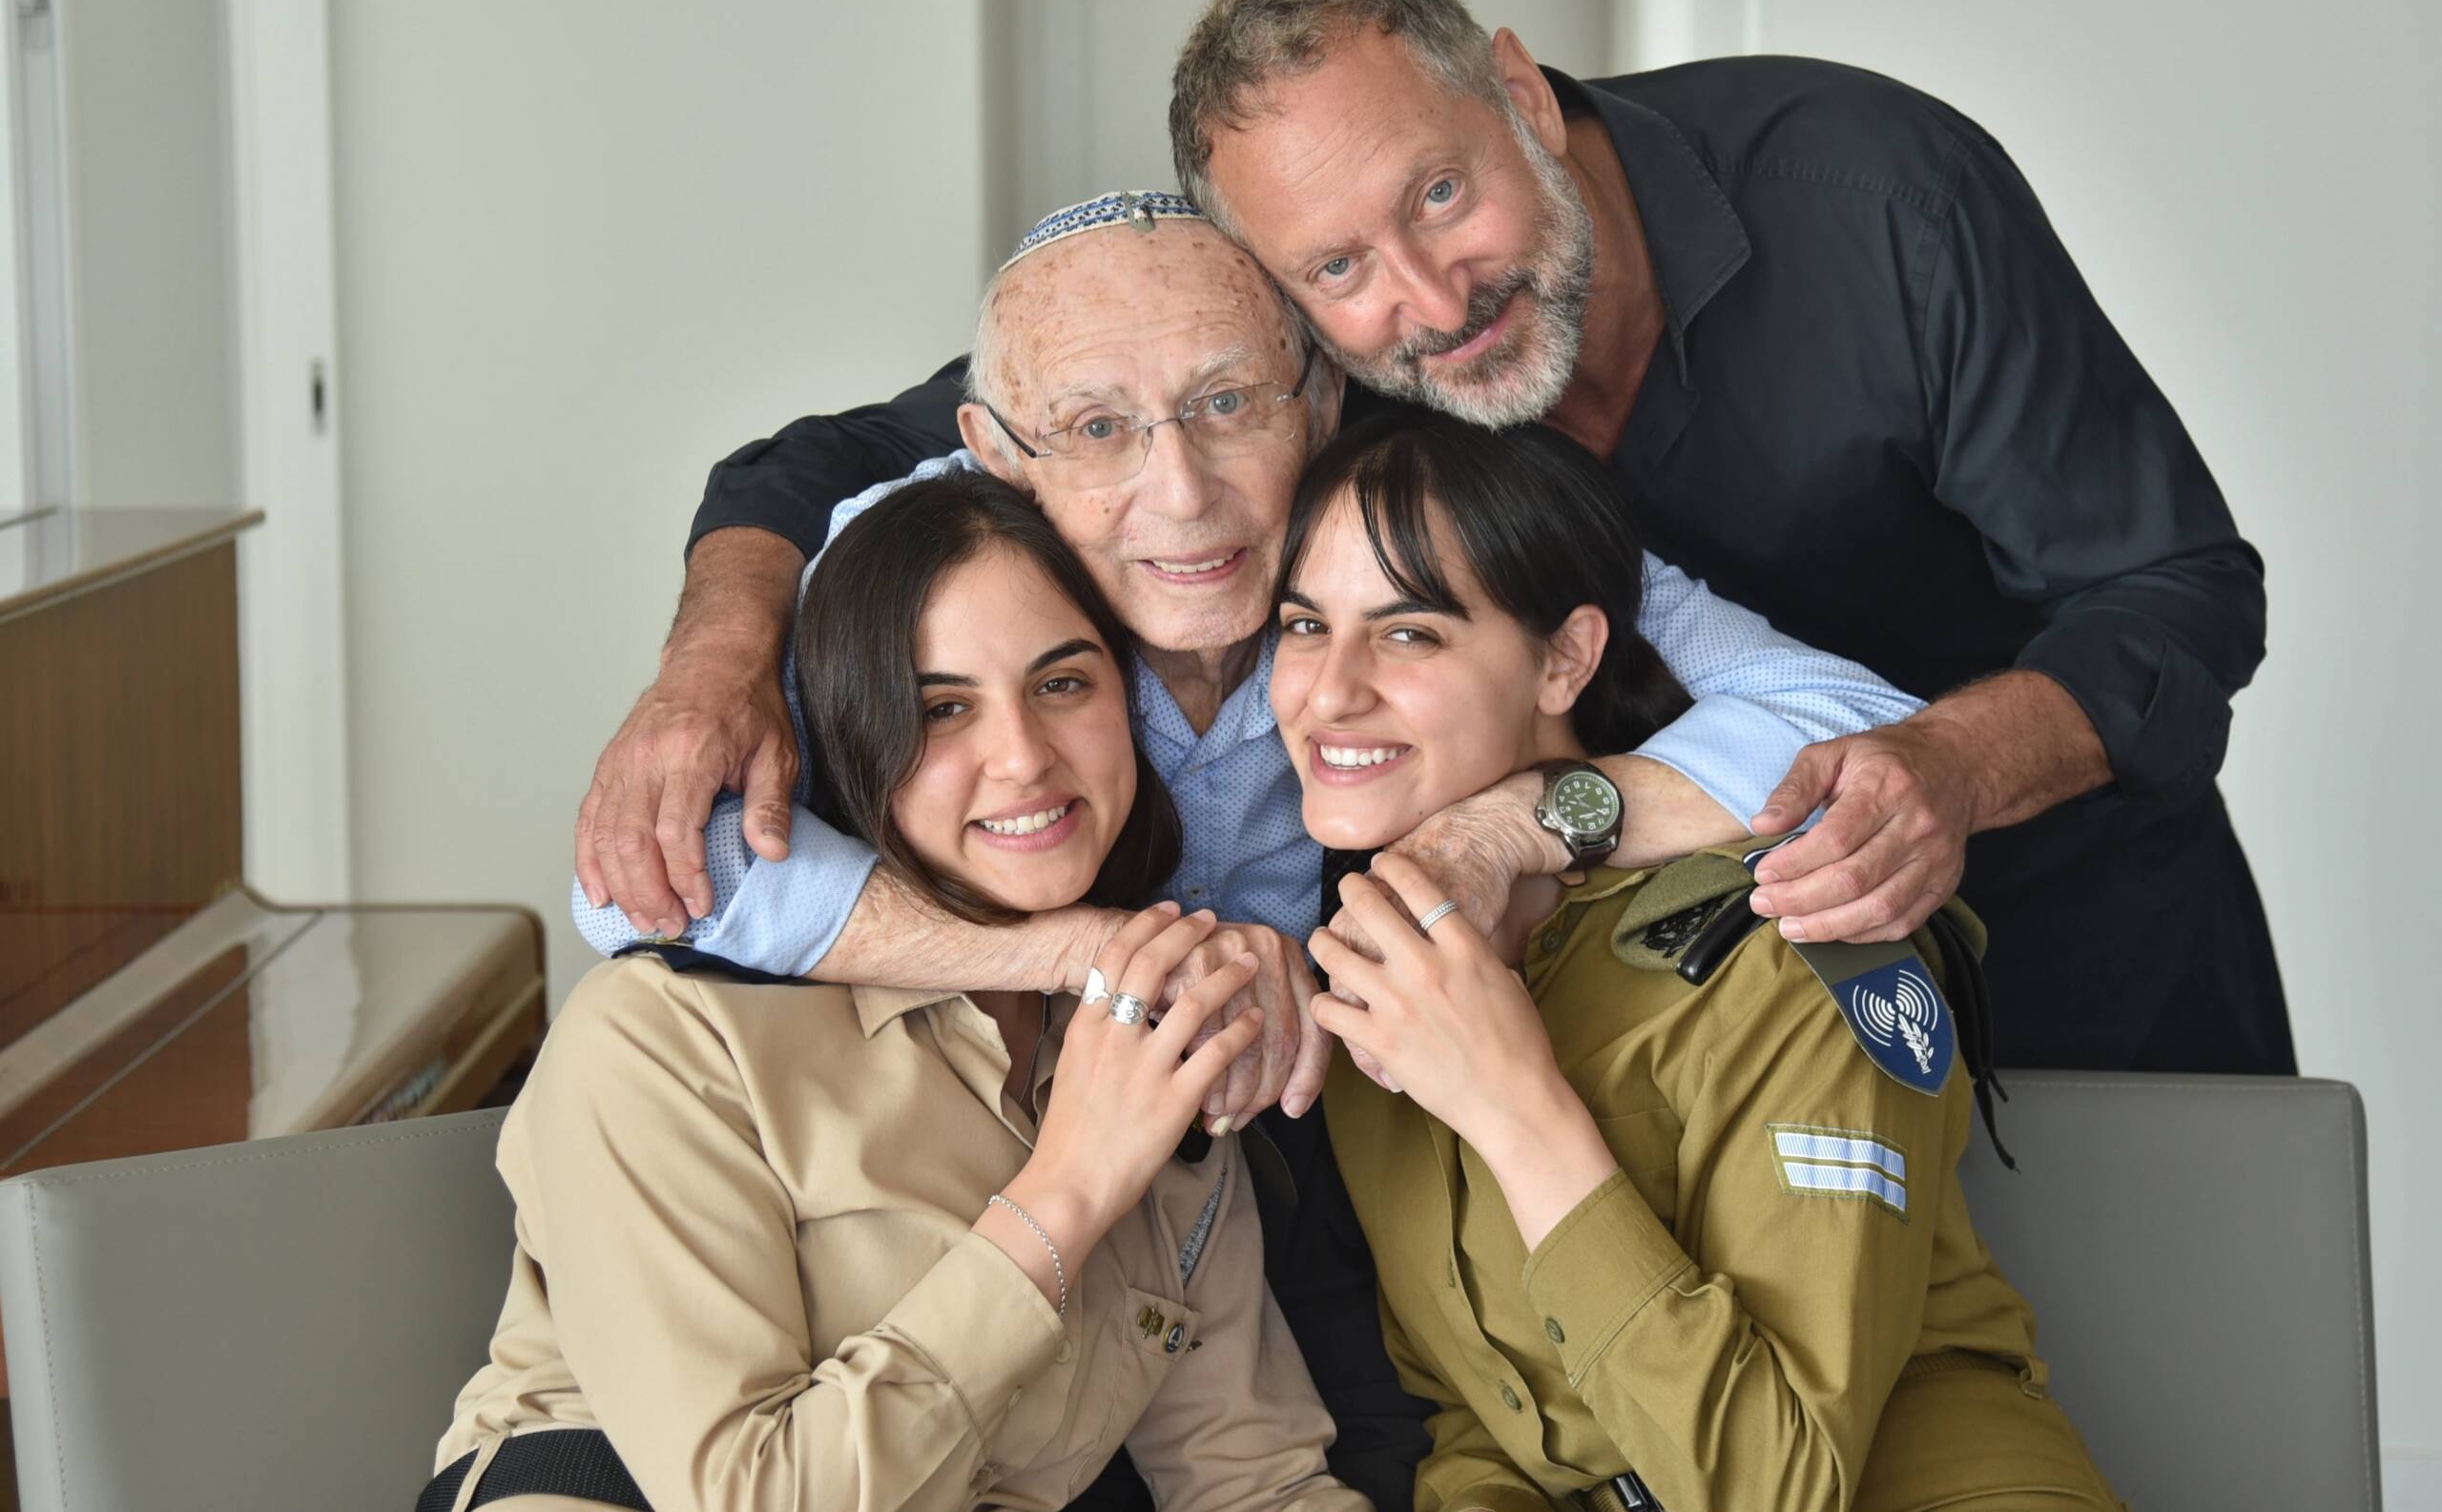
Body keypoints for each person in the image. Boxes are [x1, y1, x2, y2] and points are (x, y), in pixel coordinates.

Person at [588, 0, 2284, 1075]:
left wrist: (1943, 770)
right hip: (1674, 997)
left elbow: (2181, 592)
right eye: (1336, 268)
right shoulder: (1302, 364)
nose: (1423, 296)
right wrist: (714, 668)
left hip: (2079, 913)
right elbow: (819, 468)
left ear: (1523, 96)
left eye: (1445, 193)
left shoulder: (1878, 192)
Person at [564, 195, 1922, 1511]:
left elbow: (1846, 719)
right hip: (994, 1185)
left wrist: (1498, 826)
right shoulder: (926, 572)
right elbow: (643, 881)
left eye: (1227, 405)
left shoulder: (1382, 530)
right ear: (997, 449)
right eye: (1097, 428)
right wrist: (1092, 950)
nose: (1183, 492)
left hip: (1303, 1161)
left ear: (1315, 400)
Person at [420, 473, 1365, 1512]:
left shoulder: (1156, 1020)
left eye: (1063, 684)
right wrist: (1072, 1187)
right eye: (940, 708)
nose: (1022, 758)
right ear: (848, 739)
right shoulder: (667, 1041)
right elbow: (755, 1496)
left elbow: (1254, 1479)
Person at [1280, 406, 2121, 1512]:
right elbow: (1488, 1421)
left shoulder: (1788, 935)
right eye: (1302, 626)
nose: (1329, 691)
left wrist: (1509, 1103)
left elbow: (1779, 1485)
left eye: (1409, 632)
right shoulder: (1370, 975)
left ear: (1567, 657)